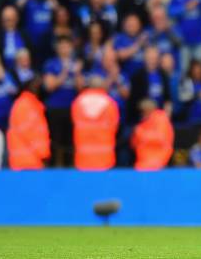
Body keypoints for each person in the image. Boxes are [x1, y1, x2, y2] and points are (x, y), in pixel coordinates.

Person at [43, 36, 82, 165]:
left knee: (70, 141)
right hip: (55, 108)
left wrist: (77, 73)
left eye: (67, 46)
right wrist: (64, 72)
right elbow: (49, 86)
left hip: (72, 108)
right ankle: (54, 167)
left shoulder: (76, 64)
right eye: (62, 46)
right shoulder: (51, 64)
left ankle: (69, 168)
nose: (65, 49)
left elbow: (80, 88)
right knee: (55, 140)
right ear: (57, 48)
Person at [71, 74, 120, 170]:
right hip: (104, 154)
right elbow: (115, 125)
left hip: (83, 154)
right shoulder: (109, 103)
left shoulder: (79, 101)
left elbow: (75, 121)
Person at [7, 76, 50, 170]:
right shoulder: (25, 104)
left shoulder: (31, 104)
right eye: (35, 83)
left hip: (30, 159)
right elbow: (30, 133)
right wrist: (43, 154)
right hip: (27, 161)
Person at [128, 46, 172, 124]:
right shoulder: (137, 76)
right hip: (143, 116)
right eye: (150, 58)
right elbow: (134, 100)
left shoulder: (163, 75)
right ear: (145, 59)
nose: (153, 61)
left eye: (155, 58)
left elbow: (167, 99)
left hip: (160, 116)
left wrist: (166, 116)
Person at [131, 98, 174, 171]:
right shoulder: (144, 123)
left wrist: (140, 133)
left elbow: (160, 138)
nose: (142, 114)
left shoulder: (161, 119)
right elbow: (134, 144)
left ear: (150, 110)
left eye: (143, 111)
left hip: (156, 161)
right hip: (143, 161)